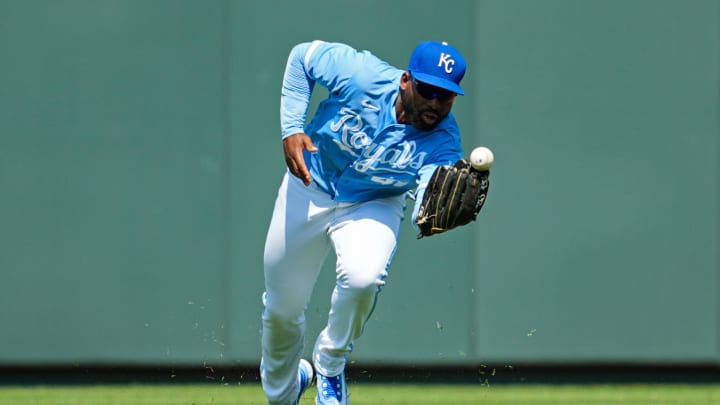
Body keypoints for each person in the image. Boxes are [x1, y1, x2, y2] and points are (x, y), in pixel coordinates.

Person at [260, 39, 467, 405]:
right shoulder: (360, 74)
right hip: (310, 183)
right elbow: (300, 57)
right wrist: (291, 127)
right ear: (406, 81)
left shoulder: (445, 141)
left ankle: (329, 363)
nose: (435, 102)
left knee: (363, 277)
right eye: (428, 90)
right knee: (282, 311)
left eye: (446, 95)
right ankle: (285, 394)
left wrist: (440, 211)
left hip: (374, 202)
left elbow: (429, 198)